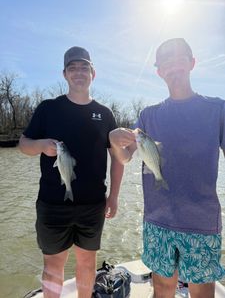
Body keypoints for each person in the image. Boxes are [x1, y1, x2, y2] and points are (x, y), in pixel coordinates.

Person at [109, 38, 225, 298]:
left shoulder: (218, 109)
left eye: (179, 58)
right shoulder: (148, 116)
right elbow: (125, 156)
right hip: (158, 220)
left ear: (192, 63)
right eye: (165, 62)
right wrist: (115, 142)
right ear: (159, 71)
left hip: (202, 221)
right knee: (161, 287)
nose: (173, 66)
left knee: (203, 290)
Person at [19, 46, 124, 298]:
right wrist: (42, 146)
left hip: (93, 205)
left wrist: (114, 196)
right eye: (73, 68)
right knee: (54, 266)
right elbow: (23, 145)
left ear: (93, 73)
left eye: (84, 67)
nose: (79, 72)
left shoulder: (105, 113)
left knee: (87, 263)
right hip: (52, 204)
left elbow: (117, 158)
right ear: (64, 74)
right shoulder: (48, 108)